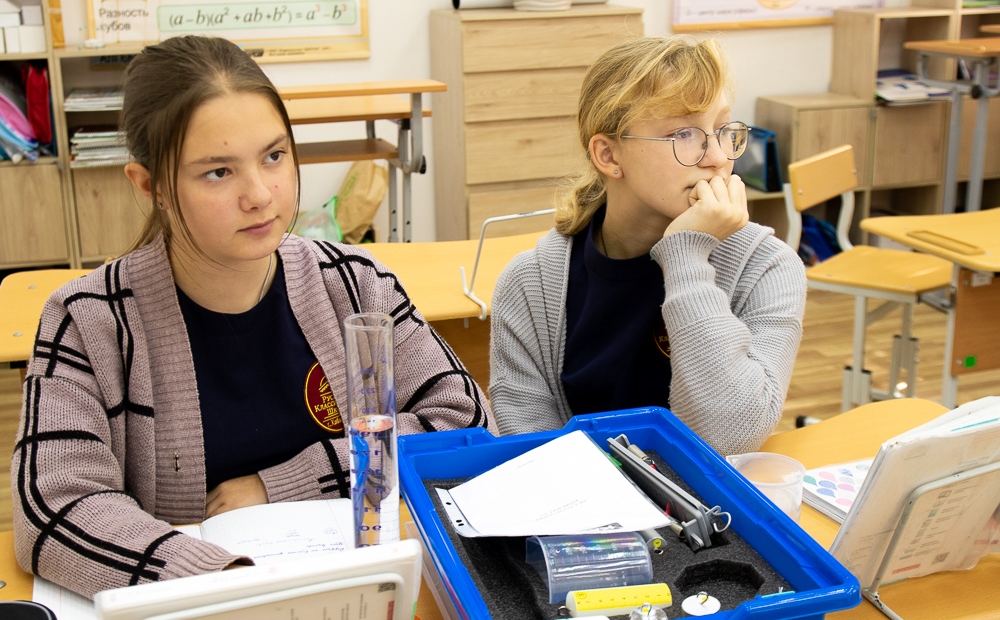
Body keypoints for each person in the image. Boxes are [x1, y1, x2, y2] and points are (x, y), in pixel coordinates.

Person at [11, 35, 495, 599]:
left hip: (355, 590)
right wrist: (225, 584)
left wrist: (282, 484)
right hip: (206, 602)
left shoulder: (354, 284)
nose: (261, 194)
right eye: (218, 172)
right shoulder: (89, 321)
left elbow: (465, 422)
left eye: (274, 156)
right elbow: (54, 506)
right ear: (150, 186)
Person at [489, 36, 806, 456]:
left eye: (722, 129)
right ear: (608, 155)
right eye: (684, 134)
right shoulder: (528, 284)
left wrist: (687, 255)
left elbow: (728, 436)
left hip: (703, 495)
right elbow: (532, 448)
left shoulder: (767, 267)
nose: (717, 157)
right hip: (576, 494)